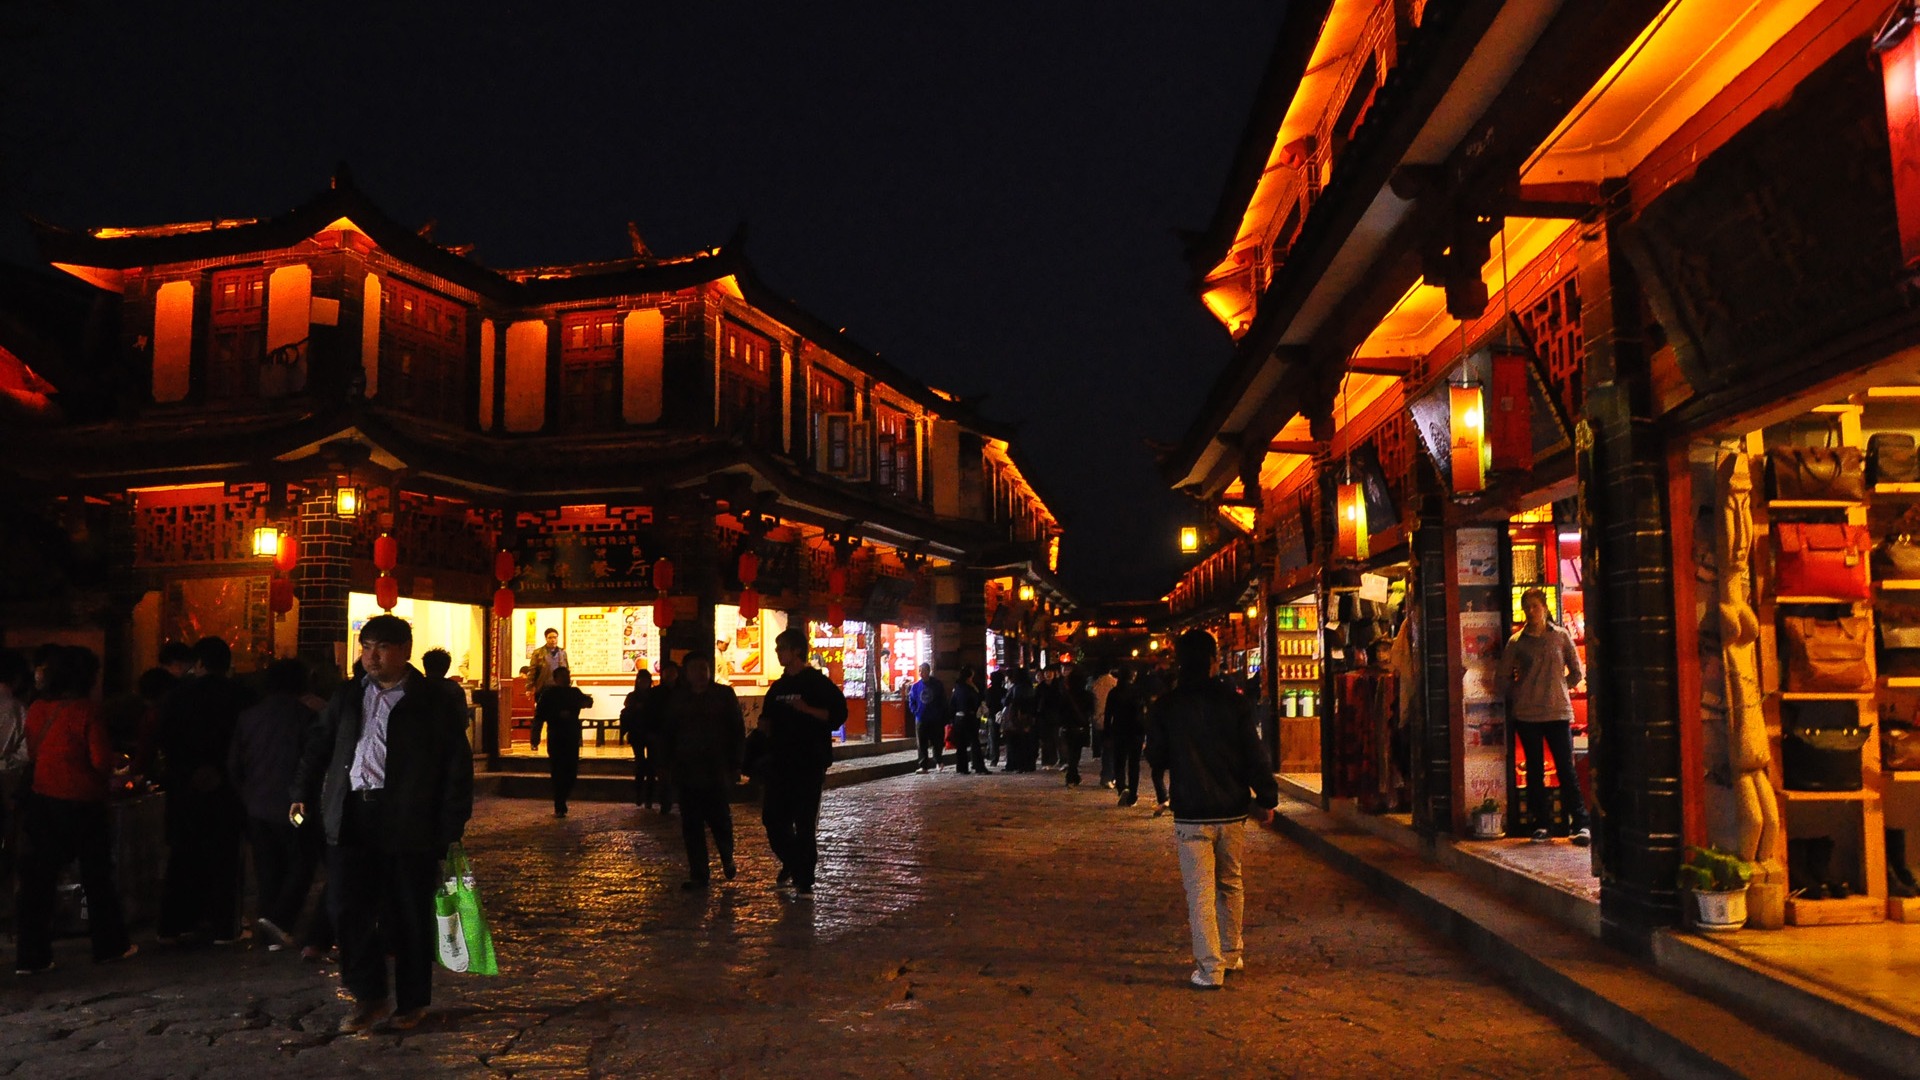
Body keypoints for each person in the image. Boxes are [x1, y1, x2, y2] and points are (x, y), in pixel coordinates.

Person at [290, 614, 473, 1034]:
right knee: (344, 907)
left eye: (382, 648)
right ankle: (368, 994)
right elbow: (320, 745)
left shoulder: (433, 700)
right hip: (353, 815)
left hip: (409, 821)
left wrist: (450, 826)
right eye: (366, 646)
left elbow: (455, 768)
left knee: (408, 914)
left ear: (405, 651)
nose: (371, 657)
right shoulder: (348, 695)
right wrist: (300, 791)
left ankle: (411, 1002)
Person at [1145, 629, 1279, 990]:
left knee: (1199, 890)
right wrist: (1266, 798)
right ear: (1211, 660)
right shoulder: (1233, 702)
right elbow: (1254, 754)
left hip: (1191, 810)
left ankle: (1209, 968)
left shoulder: (1166, 706)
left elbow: (1155, 756)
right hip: (1231, 809)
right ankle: (1233, 952)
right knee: (1230, 883)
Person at [14, 646, 136, 974]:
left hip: (43, 802)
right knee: (96, 877)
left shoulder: (38, 709)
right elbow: (100, 761)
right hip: (82, 804)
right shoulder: (87, 711)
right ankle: (109, 945)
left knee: (38, 881)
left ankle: (32, 956)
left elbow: (34, 752)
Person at [156, 636, 256, 944]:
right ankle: (225, 926)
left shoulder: (177, 695)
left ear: (198, 663)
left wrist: (188, 771)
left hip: (186, 785)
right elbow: (247, 743)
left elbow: (166, 739)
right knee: (224, 856)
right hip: (227, 786)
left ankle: (174, 924)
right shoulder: (243, 696)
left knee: (184, 854)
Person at [228, 657, 320, 949]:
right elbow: (313, 763)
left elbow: (234, 764)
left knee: (268, 867)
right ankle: (280, 921)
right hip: (295, 808)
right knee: (302, 861)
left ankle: (270, 929)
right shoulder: (306, 717)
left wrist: (246, 794)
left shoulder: (249, 716)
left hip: (257, 805)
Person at [1497, 587, 1591, 846]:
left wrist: (1559, 687)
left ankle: (1581, 822)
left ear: (1545, 608)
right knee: (1534, 769)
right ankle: (1541, 824)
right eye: (1526, 606)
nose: (1531, 611)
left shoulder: (1559, 637)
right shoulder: (1517, 642)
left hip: (1557, 711)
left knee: (1565, 767)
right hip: (1527, 714)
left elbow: (1576, 671)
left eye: (1535, 606)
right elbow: (1502, 677)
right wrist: (1519, 692)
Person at [758, 628, 848, 895]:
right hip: (779, 762)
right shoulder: (778, 687)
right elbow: (767, 718)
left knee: (804, 821)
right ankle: (794, 862)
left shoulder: (817, 684)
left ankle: (804, 877)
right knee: (772, 820)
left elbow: (837, 714)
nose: (778, 653)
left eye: (782, 648)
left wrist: (806, 709)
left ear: (796, 650)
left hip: (809, 762)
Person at [659, 653, 743, 890]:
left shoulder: (723, 695)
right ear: (686, 672)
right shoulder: (679, 699)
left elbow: (737, 729)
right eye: (695, 668)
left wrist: (736, 763)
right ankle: (699, 873)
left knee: (720, 819)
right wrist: (665, 764)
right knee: (692, 824)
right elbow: (668, 733)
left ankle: (727, 857)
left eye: (704, 667)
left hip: (716, 769)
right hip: (687, 770)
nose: (700, 673)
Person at [531, 667, 593, 817]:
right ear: (556, 677)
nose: (567, 678)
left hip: (572, 735)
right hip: (556, 734)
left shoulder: (574, 692)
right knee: (558, 769)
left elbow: (589, 702)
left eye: (568, 675)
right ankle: (559, 803)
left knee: (571, 770)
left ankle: (562, 797)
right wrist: (535, 736)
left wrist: (581, 703)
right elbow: (539, 715)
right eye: (563, 676)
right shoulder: (549, 694)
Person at [641, 660, 681, 815]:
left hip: (678, 737)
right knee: (662, 771)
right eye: (667, 672)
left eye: (672, 672)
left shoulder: (683, 692)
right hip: (660, 736)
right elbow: (648, 715)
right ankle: (665, 801)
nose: (670, 675)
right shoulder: (655, 693)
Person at [1106, 666, 1147, 806]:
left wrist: (1107, 733)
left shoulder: (1114, 692)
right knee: (1134, 764)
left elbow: (1107, 715)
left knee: (1119, 762)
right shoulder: (1138, 692)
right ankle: (1133, 794)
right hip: (1135, 732)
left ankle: (1122, 786)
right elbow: (1142, 714)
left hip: (1118, 730)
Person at [619, 665, 659, 808]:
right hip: (638, 734)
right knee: (641, 764)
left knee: (650, 766)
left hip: (651, 733)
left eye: (646, 680)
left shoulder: (654, 696)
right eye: (641, 680)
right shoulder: (634, 696)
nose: (644, 683)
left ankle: (647, 797)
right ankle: (640, 795)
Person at [910, 663, 948, 773]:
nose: (921, 673)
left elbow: (943, 700)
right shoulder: (916, 686)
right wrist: (916, 711)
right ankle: (923, 765)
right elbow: (912, 701)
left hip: (935, 719)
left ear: (928, 671)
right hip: (921, 718)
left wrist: (941, 714)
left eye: (923, 671)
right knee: (921, 743)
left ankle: (938, 761)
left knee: (937, 741)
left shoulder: (937, 685)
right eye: (920, 671)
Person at [949, 666, 988, 775]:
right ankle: (978, 766)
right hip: (969, 717)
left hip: (958, 718)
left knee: (961, 744)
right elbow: (976, 701)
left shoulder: (957, 688)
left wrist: (952, 719)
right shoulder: (970, 688)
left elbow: (952, 704)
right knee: (974, 742)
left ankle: (962, 767)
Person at [1090, 665, 1118, 787]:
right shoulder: (1114, 684)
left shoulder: (1095, 684)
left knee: (1106, 749)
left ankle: (1107, 775)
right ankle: (1109, 776)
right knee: (1112, 750)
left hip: (1098, 720)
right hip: (1112, 721)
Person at [527, 628, 568, 695]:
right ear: (546, 639)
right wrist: (529, 687)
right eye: (550, 638)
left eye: (555, 637)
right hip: (543, 687)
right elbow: (532, 671)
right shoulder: (538, 653)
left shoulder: (562, 653)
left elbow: (566, 670)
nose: (553, 640)